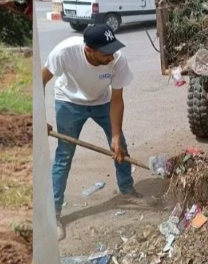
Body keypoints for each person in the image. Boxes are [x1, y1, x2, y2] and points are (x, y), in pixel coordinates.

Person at [42, 25, 138, 240]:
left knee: (120, 145)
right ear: (88, 50)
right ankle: (54, 213)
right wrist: (38, 118)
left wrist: (115, 136)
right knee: (64, 156)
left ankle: (127, 190)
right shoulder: (65, 52)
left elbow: (117, 99)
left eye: (113, 51)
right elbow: (40, 80)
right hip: (69, 102)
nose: (111, 57)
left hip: (103, 102)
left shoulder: (117, 59)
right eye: (106, 54)